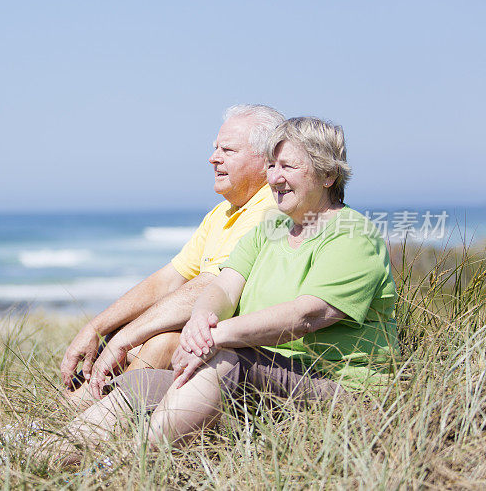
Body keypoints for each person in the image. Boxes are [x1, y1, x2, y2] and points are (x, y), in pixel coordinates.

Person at [52, 116, 397, 463]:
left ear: (328, 175)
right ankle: (41, 451)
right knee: (144, 383)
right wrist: (201, 322)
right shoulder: (272, 227)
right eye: (273, 165)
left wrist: (214, 338)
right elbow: (224, 288)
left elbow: (307, 315)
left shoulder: (352, 234)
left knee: (227, 358)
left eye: (288, 166)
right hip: (266, 374)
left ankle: (128, 465)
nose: (275, 177)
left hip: (338, 388)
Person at [60, 104, 285, 404]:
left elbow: (210, 285)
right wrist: (97, 328)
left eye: (228, 150)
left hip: (257, 355)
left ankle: (103, 435)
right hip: (214, 343)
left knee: (161, 343)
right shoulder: (223, 212)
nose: (213, 157)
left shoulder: (270, 210)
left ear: (267, 160)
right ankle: (58, 429)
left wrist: (126, 339)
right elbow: (169, 280)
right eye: (215, 147)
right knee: (131, 344)